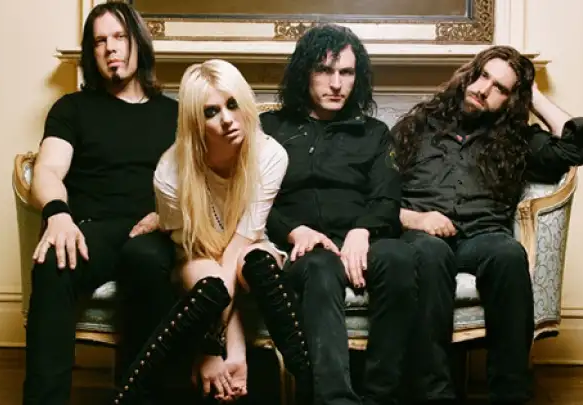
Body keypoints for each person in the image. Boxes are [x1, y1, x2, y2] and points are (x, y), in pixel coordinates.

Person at [21, 4, 230, 405]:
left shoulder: (175, 114)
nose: (110, 48)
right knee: (52, 263)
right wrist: (58, 215)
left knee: (146, 262)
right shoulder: (72, 109)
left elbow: (201, 185)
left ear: (138, 43)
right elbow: (47, 169)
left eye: (119, 37)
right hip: (90, 229)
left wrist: (167, 217)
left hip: (152, 230)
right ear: (91, 52)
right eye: (100, 41)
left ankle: (137, 395)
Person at [391, 45, 583, 405]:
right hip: (422, 232)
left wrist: (534, 96)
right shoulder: (419, 124)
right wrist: (415, 219)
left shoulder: (517, 138)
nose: (484, 89)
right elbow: (376, 189)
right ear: (470, 75)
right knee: (429, 255)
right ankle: (435, 394)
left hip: (482, 237)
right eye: (483, 76)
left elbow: (577, 149)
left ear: (512, 99)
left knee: (508, 255)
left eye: (500, 88)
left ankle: (510, 393)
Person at [113, 59, 314, 404]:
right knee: (210, 286)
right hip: (197, 254)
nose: (227, 119)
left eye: (233, 104)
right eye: (211, 111)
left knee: (259, 265)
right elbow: (202, 258)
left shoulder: (270, 155)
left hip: (246, 248)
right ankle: (130, 395)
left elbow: (239, 246)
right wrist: (219, 348)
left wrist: (226, 348)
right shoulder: (170, 173)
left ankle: (311, 383)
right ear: (195, 121)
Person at [259, 24, 418, 405]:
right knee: (320, 267)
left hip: (363, 240)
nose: (336, 84)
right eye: (324, 71)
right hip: (303, 247)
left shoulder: (374, 133)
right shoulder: (269, 130)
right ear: (305, 73)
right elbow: (251, 200)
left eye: (346, 73)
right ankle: (334, 399)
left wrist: (363, 231)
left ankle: (381, 396)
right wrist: (293, 230)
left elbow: (387, 197)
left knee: (399, 258)